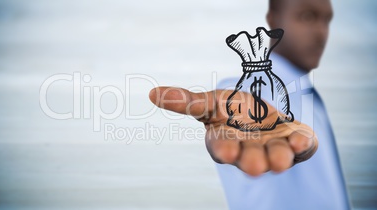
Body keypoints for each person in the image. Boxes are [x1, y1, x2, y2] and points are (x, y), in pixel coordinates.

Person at [149, 0, 351, 209]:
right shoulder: (263, 90)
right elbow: (243, 98)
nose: (321, 33)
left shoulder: (307, 92)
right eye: (307, 17)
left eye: (326, 20)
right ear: (273, 19)